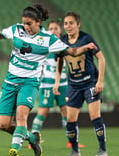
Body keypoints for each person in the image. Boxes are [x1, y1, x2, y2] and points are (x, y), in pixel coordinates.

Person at [0, 4, 97, 156]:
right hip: (10, 82)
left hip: (29, 83)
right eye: (24, 23)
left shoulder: (49, 39)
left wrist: (85, 47)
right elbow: (0, 34)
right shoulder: (16, 29)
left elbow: (71, 52)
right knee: (3, 125)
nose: (26, 27)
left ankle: (14, 150)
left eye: (29, 24)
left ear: (38, 22)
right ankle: (33, 138)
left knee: (21, 118)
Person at [53, 11, 107, 156]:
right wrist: (57, 81)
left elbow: (101, 59)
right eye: (65, 23)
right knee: (70, 119)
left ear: (78, 24)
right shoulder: (62, 41)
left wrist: (100, 81)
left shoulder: (86, 38)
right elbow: (60, 61)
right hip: (73, 85)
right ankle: (75, 151)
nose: (68, 26)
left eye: (71, 23)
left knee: (95, 115)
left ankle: (102, 149)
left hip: (90, 82)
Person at [30, 20, 85, 149]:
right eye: (51, 28)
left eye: (55, 28)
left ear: (60, 31)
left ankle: (71, 141)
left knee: (66, 112)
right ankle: (33, 140)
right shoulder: (44, 43)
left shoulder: (64, 44)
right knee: (42, 112)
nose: (53, 31)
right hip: (47, 84)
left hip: (63, 83)